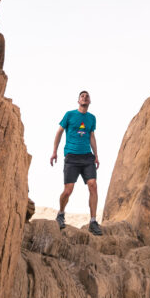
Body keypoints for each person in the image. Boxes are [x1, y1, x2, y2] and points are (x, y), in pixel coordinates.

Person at [50, 90, 102, 235]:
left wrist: (96, 155)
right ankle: (61, 213)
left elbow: (92, 136)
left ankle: (93, 221)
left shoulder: (92, 118)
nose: (85, 98)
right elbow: (59, 132)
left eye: (87, 96)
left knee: (93, 185)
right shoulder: (70, 115)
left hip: (87, 157)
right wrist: (54, 151)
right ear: (78, 101)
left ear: (89, 101)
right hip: (71, 157)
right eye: (82, 96)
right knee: (68, 190)